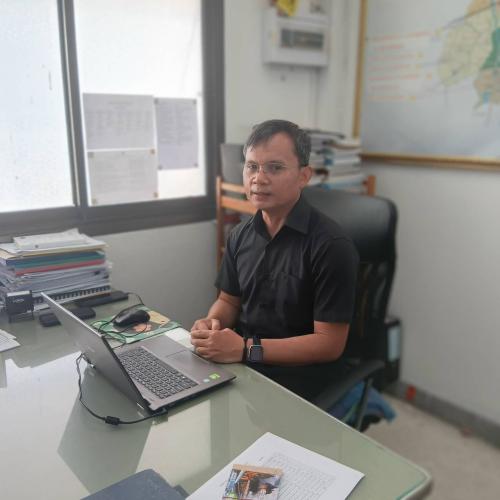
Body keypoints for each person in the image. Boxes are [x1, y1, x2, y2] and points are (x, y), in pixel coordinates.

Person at [190, 119, 359, 401]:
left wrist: (246, 349)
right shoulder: (239, 235)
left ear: (304, 176)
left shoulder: (331, 246)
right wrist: (213, 324)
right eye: (252, 166)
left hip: (301, 381)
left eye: (275, 168)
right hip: (245, 367)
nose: (259, 178)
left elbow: (329, 344)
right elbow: (229, 301)